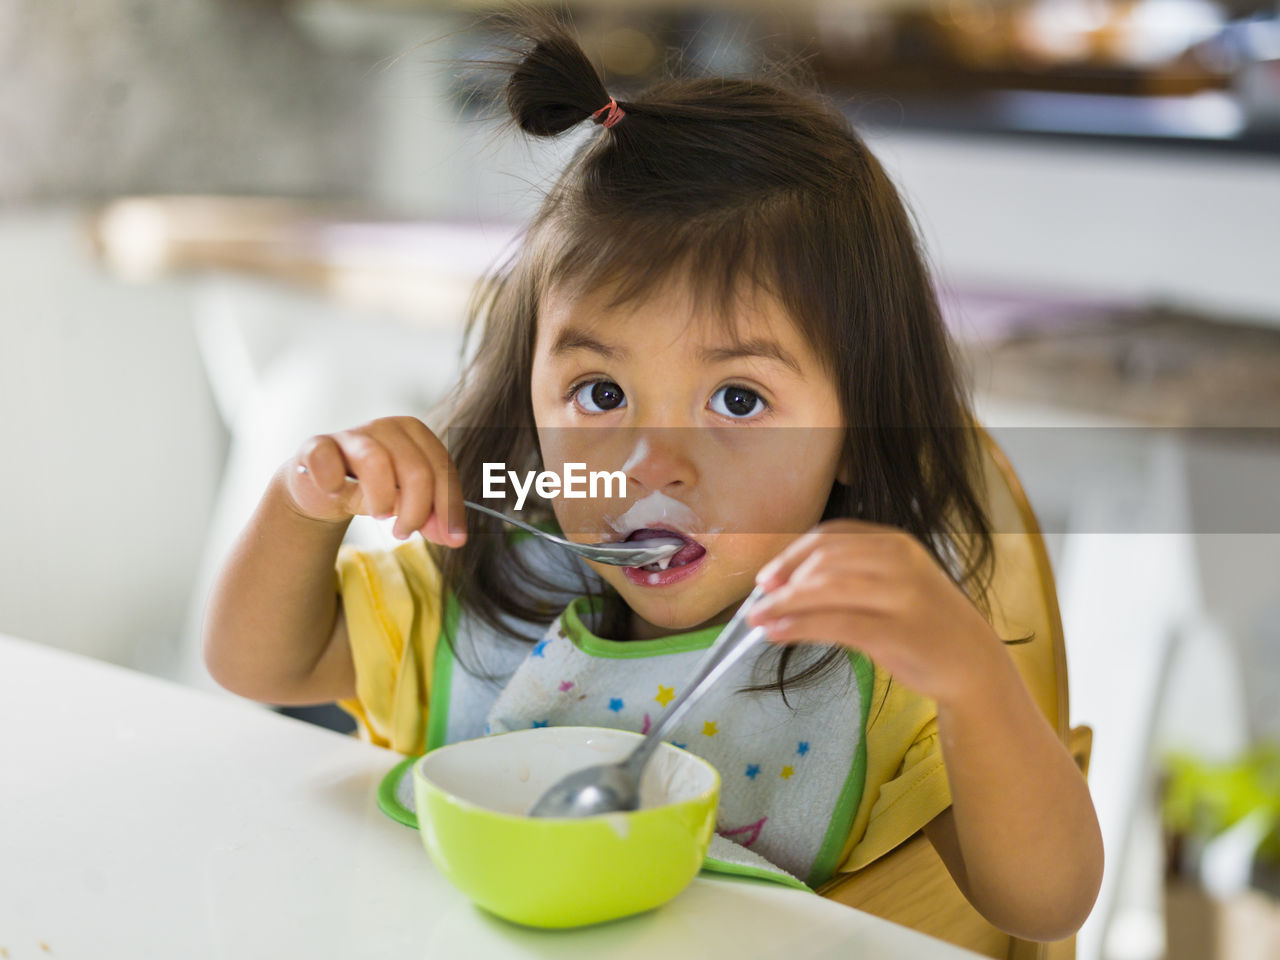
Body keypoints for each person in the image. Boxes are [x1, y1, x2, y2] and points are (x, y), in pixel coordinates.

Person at [203, 11, 1102, 941]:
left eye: (739, 402)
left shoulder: (878, 673)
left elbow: (1046, 902)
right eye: (599, 392)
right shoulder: (485, 586)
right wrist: (307, 502)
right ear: (528, 398)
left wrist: (972, 683)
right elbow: (254, 665)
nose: (650, 466)